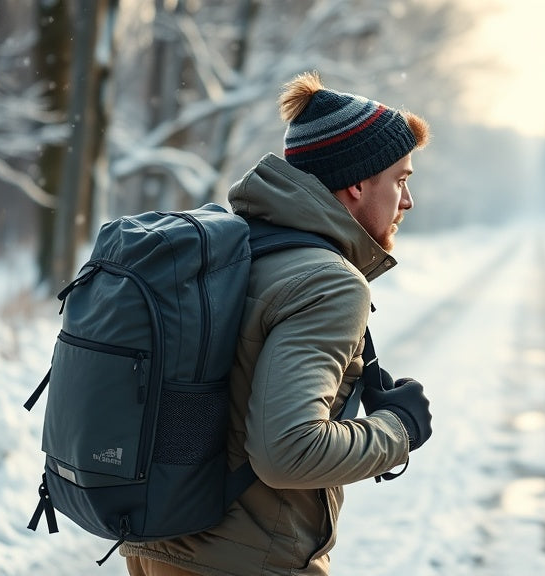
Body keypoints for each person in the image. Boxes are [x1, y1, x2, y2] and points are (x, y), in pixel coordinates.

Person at [120, 71, 434, 576]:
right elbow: (287, 453)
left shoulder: (236, 249)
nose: (407, 201)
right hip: (246, 560)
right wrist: (399, 430)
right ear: (356, 183)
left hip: (160, 548)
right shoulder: (328, 283)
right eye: (399, 180)